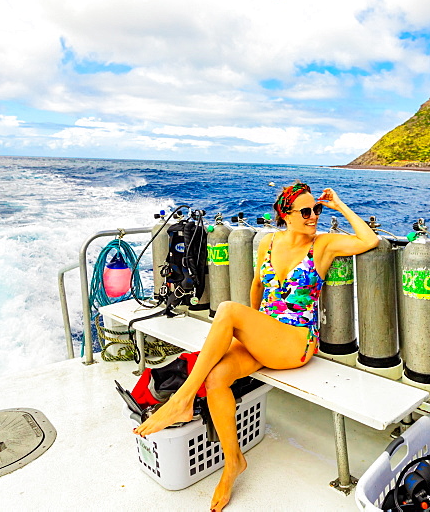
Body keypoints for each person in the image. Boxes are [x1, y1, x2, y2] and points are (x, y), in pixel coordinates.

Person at [133, 182, 379, 511]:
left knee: (228, 311)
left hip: (297, 342)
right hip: (266, 336)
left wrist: (339, 205)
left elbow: (369, 240)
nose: (313, 217)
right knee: (216, 377)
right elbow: (256, 288)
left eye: (316, 210)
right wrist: (242, 335)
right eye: (306, 211)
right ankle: (233, 462)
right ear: (285, 216)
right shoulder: (268, 241)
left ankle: (181, 400)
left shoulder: (322, 246)